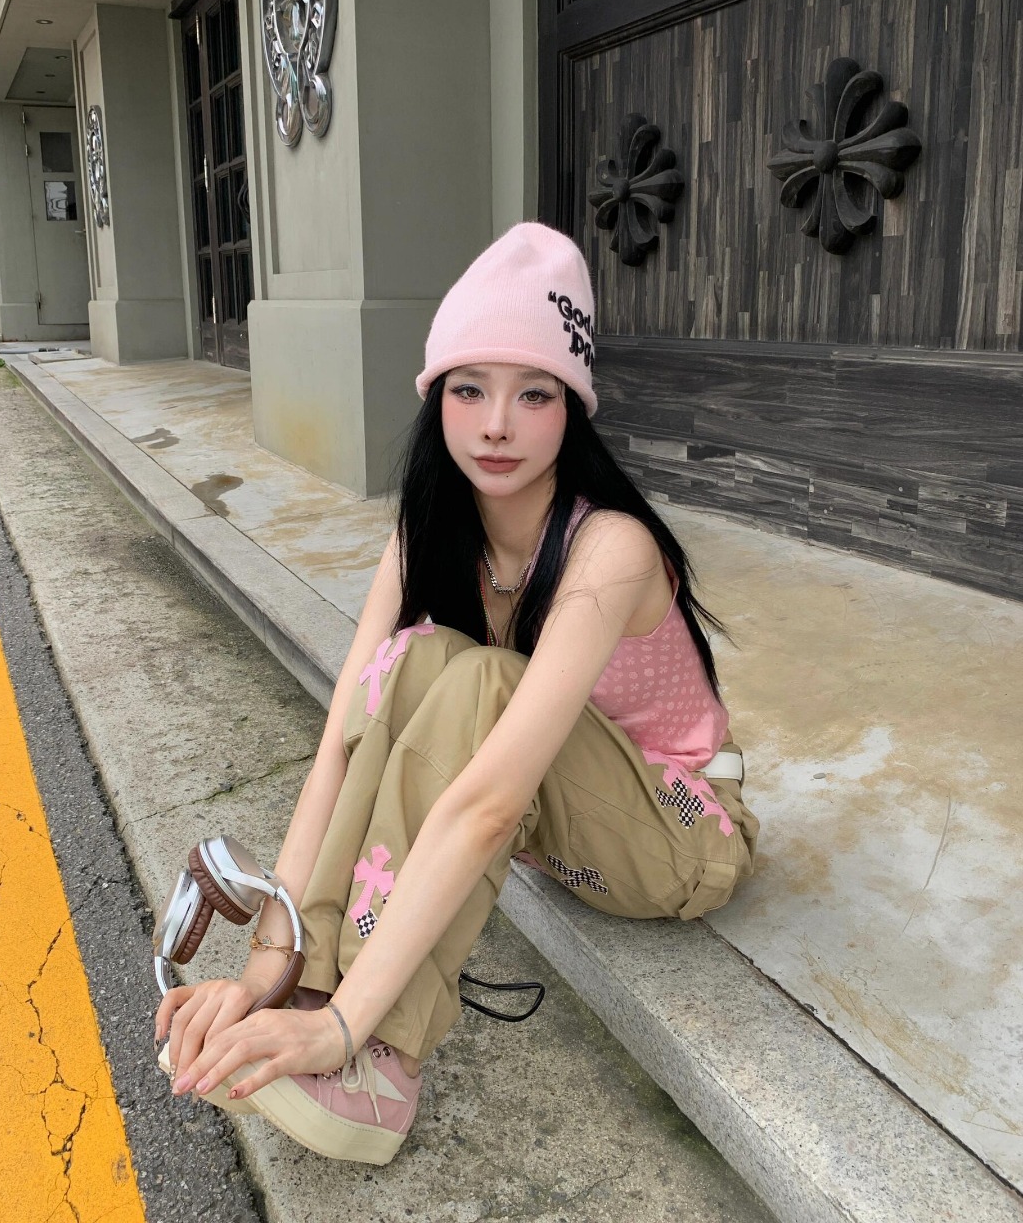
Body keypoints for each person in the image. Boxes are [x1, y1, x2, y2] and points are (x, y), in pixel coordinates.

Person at [156, 222, 759, 1165]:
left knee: (480, 677)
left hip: (678, 837)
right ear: (435, 396)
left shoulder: (610, 548)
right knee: (415, 660)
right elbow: (342, 741)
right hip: (563, 822)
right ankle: (311, 986)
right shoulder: (427, 533)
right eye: (469, 388)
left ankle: (378, 1059)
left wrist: (345, 1027)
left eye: (535, 393)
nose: (496, 424)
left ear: (574, 410)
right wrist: (268, 968)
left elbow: (487, 806)